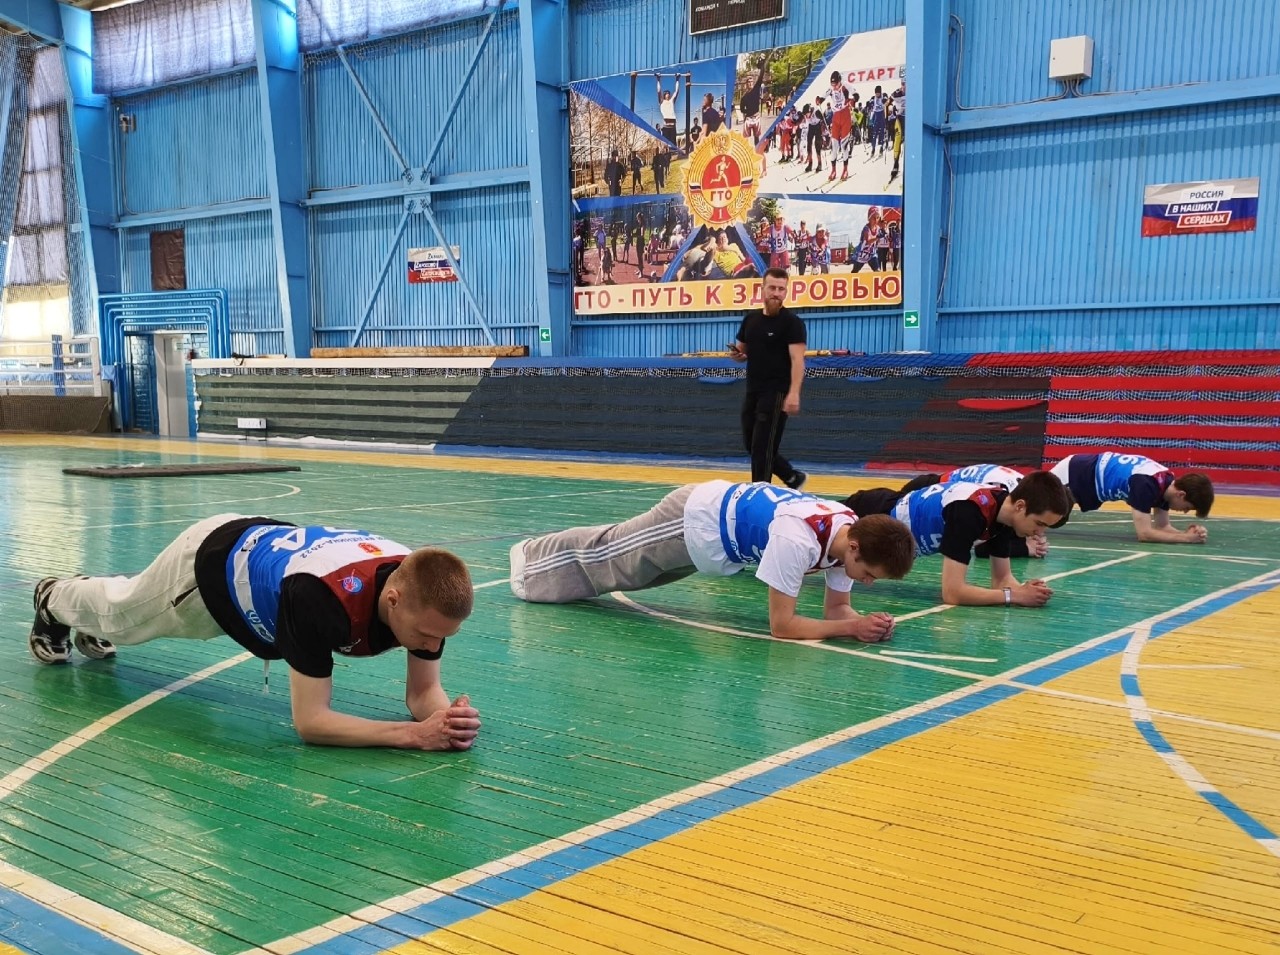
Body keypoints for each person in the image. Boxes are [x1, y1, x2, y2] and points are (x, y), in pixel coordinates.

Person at [27, 517, 482, 751]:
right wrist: (412, 736)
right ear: (393, 600)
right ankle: (53, 597)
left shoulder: (424, 594)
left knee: (119, 615)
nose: (431, 645)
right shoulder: (319, 598)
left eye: (443, 637)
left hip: (261, 550)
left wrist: (446, 720)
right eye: (426, 635)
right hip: (210, 570)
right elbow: (312, 723)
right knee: (122, 617)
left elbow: (423, 694)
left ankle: (81, 608)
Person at [509, 481, 916, 643]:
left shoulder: (848, 532)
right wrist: (851, 628)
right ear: (855, 548)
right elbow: (783, 626)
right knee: (611, 557)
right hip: (694, 519)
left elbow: (837, 609)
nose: (866, 582)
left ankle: (540, 565)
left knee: (629, 574)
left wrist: (864, 622)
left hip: (712, 543)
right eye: (868, 575)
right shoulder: (798, 539)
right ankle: (528, 563)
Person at [844, 471, 1070, 607]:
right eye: (1040, 523)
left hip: (885, 522)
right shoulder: (970, 512)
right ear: (1020, 506)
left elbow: (1002, 580)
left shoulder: (1004, 518)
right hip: (869, 513)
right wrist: (1013, 596)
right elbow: (952, 593)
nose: (1040, 533)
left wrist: (1025, 590)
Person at [729, 267, 807, 488]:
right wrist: (737, 355)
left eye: (781, 289)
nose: (776, 293)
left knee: (762, 447)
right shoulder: (750, 319)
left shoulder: (792, 323)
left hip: (777, 392)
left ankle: (760, 493)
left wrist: (794, 393)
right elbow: (742, 352)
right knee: (751, 443)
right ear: (762, 289)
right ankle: (791, 476)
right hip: (753, 389)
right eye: (772, 288)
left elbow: (798, 360)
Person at [1049, 453, 1214, 544]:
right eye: (1187, 507)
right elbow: (1145, 534)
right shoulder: (1146, 483)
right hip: (1075, 472)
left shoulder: (1166, 483)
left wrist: (1188, 534)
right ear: (1181, 494)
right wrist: (1186, 539)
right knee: (1048, 514)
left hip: (1086, 474)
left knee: (1054, 517)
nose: (1184, 512)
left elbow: (1162, 527)